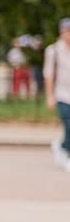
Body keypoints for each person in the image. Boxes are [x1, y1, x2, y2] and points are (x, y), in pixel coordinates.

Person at [48, 17, 70, 172]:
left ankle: (62, 146)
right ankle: (68, 154)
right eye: (66, 31)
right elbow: (49, 75)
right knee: (69, 123)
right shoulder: (53, 50)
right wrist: (50, 96)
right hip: (62, 94)